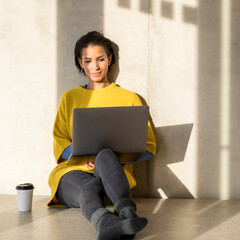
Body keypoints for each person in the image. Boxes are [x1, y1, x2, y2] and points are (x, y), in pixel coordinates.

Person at [47, 31, 156, 240]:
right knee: (87, 186)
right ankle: (110, 222)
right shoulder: (69, 97)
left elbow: (148, 144)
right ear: (80, 62)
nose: (95, 67)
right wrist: (82, 156)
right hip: (71, 173)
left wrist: (113, 159)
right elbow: (60, 138)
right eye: (87, 61)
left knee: (105, 154)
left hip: (112, 179)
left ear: (109, 59)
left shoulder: (129, 98)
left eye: (100, 59)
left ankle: (125, 212)